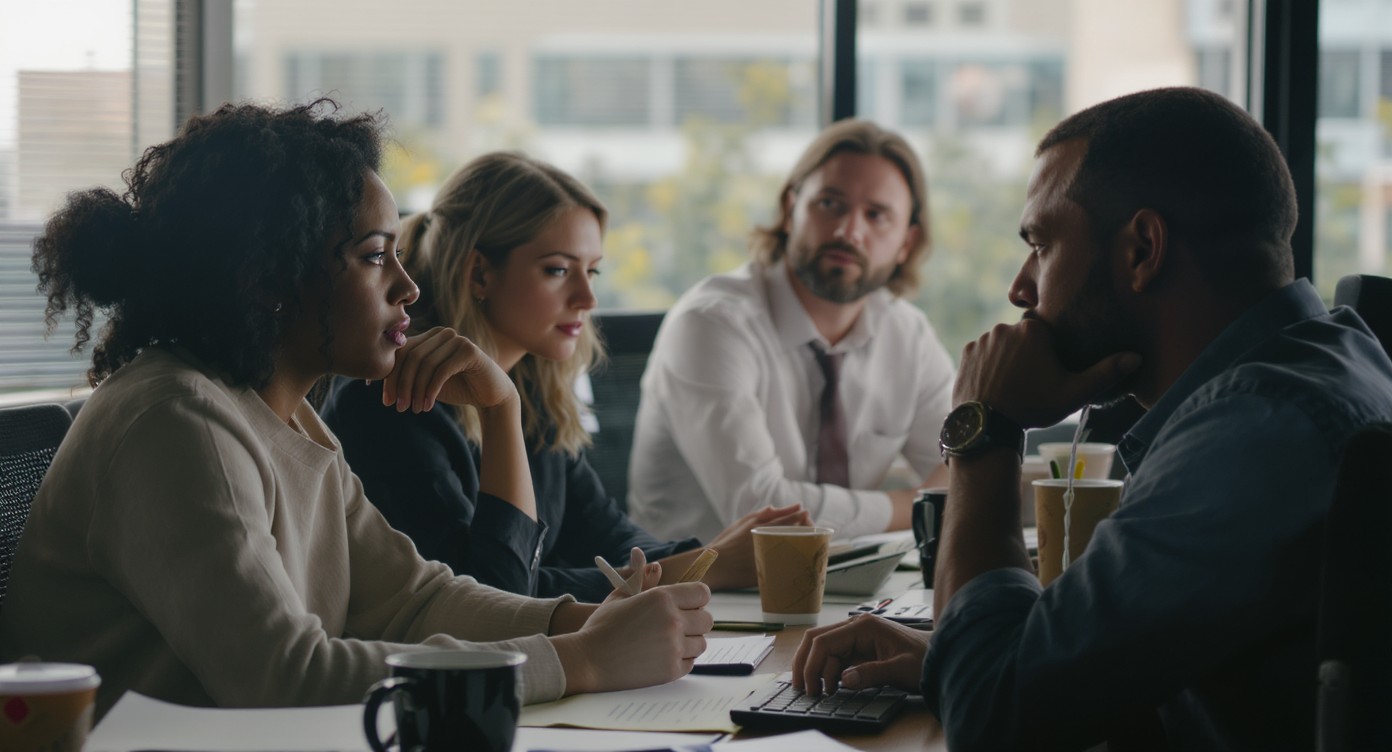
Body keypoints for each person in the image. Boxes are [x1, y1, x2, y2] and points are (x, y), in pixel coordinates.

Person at [0, 100, 711, 718]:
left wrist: (583, 620)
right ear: (274, 273)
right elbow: (282, 676)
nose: (406, 286)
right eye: (375, 257)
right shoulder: (175, 422)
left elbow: (412, 600)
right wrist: (578, 661)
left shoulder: (286, 416)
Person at [791, 87, 1392, 749]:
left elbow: (994, 724)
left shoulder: (1254, 435)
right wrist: (952, 654)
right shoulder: (1330, 361)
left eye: (1042, 245)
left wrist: (983, 429)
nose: (1021, 289)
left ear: (1142, 250)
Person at [320, 151, 810, 603]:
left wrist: (707, 558)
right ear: (480, 275)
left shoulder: (536, 391)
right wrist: (704, 569)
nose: (587, 299)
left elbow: (608, 536)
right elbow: (492, 593)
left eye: (592, 272)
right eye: (558, 270)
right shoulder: (393, 397)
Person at [628, 119, 955, 542]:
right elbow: (762, 514)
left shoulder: (907, 335)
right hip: (703, 595)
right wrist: (916, 502)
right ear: (789, 209)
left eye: (876, 215)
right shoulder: (711, 324)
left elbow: (966, 470)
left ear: (906, 244)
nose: (848, 231)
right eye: (830, 204)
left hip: (851, 587)